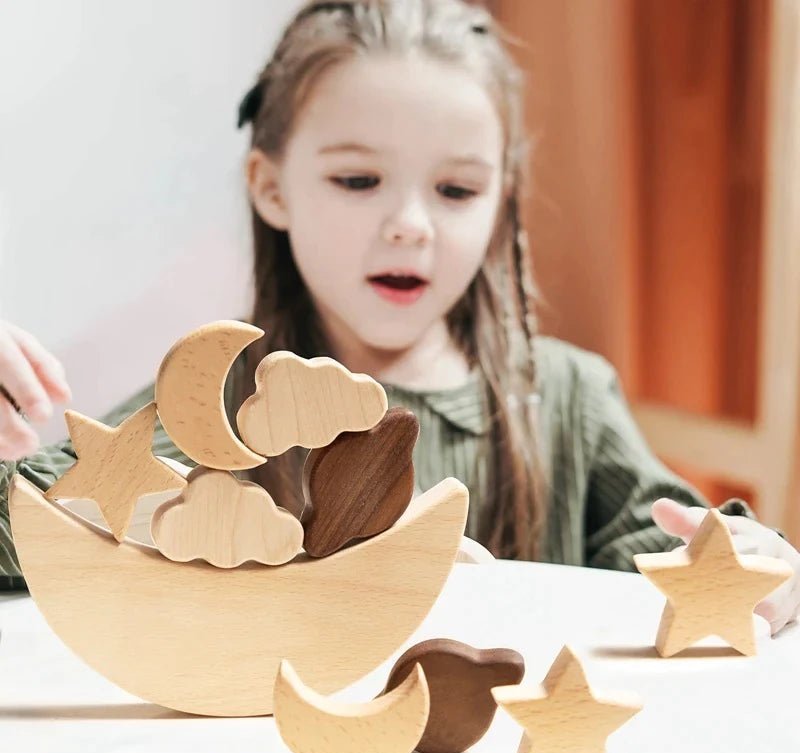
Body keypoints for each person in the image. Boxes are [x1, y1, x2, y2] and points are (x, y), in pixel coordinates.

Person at [1, 0, 798, 633]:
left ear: (501, 201)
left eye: (456, 191)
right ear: (272, 188)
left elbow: (680, 571)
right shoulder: (214, 405)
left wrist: (754, 570)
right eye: (358, 180)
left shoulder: (570, 397)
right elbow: (32, 533)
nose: (411, 224)